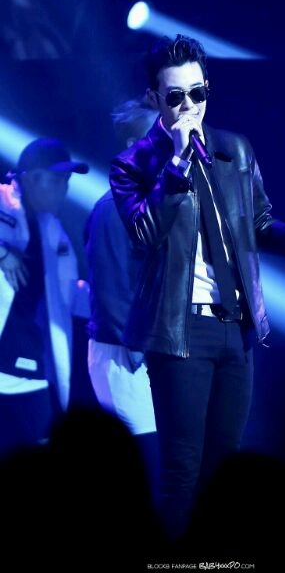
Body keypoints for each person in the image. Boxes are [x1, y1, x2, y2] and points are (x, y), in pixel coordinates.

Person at [109, 34, 285, 539]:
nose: (190, 106)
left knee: (225, 469)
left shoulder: (233, 149)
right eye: (176, 96)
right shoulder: (133, 164)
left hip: (235, 328)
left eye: (198, 93)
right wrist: (177, 163)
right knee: (182, 470)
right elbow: (144, 233)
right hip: (179, 332)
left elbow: (258, 221)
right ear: (154, 98)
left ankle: (220, 560)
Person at [0, 137, 89, 455]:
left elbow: (70, 291)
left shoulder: (52, 228)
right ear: (30, 179)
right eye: (57, 179)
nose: (65, 188)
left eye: (66, 181)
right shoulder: (2, 200)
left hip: (29, 359)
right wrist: (2, 253)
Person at [85, 96, 158, 437]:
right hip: (125, 355)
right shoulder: (113, 209)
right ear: (133, 146)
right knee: (145, 454)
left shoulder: (151, 203)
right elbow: (111, 290)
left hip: (145, 350)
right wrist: (138, 350)